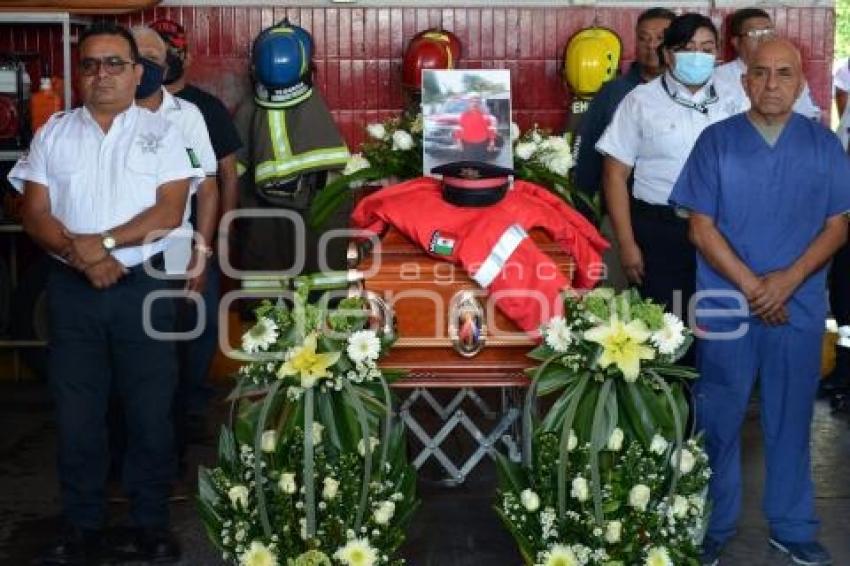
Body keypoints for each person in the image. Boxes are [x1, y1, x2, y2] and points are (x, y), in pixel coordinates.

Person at [7, 22, 203, 565]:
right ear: (80, 73)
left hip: (142, 291)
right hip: (72, 293)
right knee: (77, 415)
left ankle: (151, 524)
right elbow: (34, 213)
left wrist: (107, 244)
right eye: (91, 64)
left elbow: (170, 211)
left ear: (138, 72)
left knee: (149, 412)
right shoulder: (54, 133)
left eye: (115, 63)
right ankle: (82, 526)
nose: (102, 74)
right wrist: (82, 256)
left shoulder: (166, 133)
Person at [670, 38, 849, 566]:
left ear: (800, 83)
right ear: (744, 81)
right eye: (762, 73)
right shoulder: (716, 142)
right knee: (718, 418)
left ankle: (792, 528)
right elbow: (701, 230)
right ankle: (710, 525)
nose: (772, 85)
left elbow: (837, 226)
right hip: (727, 306)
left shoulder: (824, 147)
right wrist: (755, 287)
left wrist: (785, 282)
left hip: (796, 305)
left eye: (785, 74)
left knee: (791, 418)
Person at [595, 13, 734, 328]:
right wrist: (627, 245)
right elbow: (614, 175)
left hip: (723, 229)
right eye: (688, 48)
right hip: (660, 231)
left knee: (717, 324)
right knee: (664, 330)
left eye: (707, 48)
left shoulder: (735, 99)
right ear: (669, 54)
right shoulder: (640, 101)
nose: (698, 56)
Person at [149, 18, 243, 436]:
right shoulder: (124, 110)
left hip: (191, 237)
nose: (165, 60)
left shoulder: (203, 108)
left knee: (199, 322)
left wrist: (220, 235)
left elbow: (225, 176)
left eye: (171, 51)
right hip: (142, 242)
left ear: (185, 55)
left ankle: (192, 405)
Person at [573, 7, 675, 290]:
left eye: (661, 38)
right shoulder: (613, 93)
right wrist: (585, 215)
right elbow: (588, 160)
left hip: (672, 223)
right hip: (619, 220)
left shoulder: (690, 94)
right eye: (643, 38)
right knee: (614, 305)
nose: (652, 45)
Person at [713, 7, 822, 120]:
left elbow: (810, 118)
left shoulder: (791, 75)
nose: (764, 40)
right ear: (736, 42)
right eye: (754, 34)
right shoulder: (717, 78)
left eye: (768, 32)